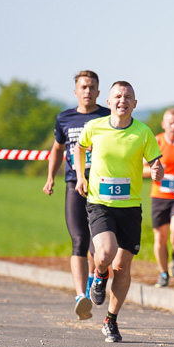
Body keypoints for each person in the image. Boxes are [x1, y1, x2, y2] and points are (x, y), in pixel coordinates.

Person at [74, 81, 163, 343]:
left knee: (123, 267)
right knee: (105, 252)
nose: (122, 100)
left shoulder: (143, 132)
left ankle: (110, 320)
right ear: (109, 102)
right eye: (117, 96)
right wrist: (81, 176)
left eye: (128, 97)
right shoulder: (95, 127)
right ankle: (100, 274)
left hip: (130, 207)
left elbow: (156, 163)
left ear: (135, 103)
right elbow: (79, 147)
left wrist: (157, 171)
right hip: (99, 202)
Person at [42, 70, 110, 321]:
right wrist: (50, 177)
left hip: (101, 186)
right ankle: (80, 295)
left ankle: (95, 280)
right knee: (79, 240)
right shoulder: (65, 118)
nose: (88, 91)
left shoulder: (106, 116)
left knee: (97, 244)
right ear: (75, 91)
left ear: (98, 92)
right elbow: (57, 149)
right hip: (73, 184)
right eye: (83, 87)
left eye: (92, 87)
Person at [144, 108, 174, 287]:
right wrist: (156, 171)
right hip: (159, 196)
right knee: (160, 238)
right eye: (170, 123)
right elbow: (141, 169)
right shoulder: (156, 142)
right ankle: (164, 273)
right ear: (164, 124)